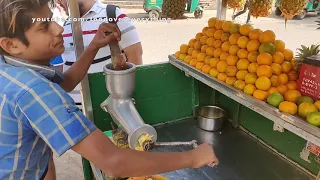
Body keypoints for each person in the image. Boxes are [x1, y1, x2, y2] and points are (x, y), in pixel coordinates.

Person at [0, 0, 219, 179]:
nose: (58, 29)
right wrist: (192, 158)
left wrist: (94, 45)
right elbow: (114, 163)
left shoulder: (10, 67)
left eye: (53, 19)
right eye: (44, 26)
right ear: (11, 45)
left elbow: (64, 83)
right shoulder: (35, 90)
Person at [55, 0, 143, 105]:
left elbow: (136, 60)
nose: (57, 1)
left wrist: (122, 103)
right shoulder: (65, 25)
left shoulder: (113, 15)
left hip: (107, 107)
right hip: (74, 110)